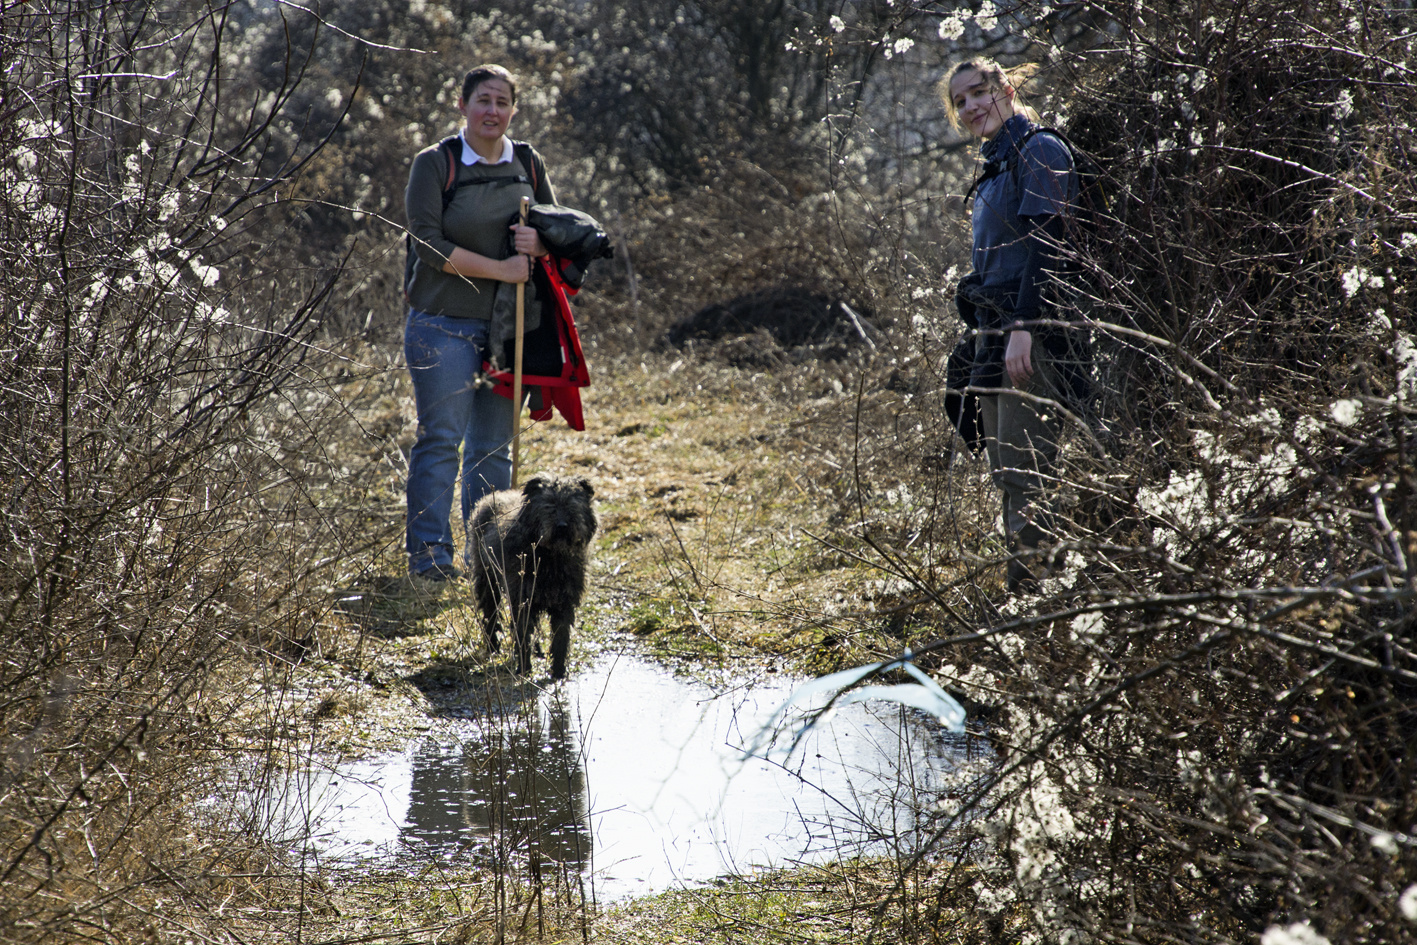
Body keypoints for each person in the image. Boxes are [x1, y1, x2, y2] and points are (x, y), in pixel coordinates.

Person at [403, 64, 557, 583]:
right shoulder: (436, 163)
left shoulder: (528, 163)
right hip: (442, 326)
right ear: (462, 105)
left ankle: (487, 563)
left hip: (507, 331)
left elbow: (554, 228)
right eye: (483, 100)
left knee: (492, 451)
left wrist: (539, 243)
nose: (493, 111)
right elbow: (427, 244)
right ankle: (430, 564)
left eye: (503, 102)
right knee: (442, 441)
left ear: (514, 109)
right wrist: (501, 269)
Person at [943, 58, 1086, 593]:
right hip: (994, 332)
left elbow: (1050, 244)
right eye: (960, 101)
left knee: (1027, 473)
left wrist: (1025, 326)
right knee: (1008, 471)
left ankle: (1038, 607)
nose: (972, 106)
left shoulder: (1040, 150)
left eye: (979, 92)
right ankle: (1026, 595)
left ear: (1006, 88)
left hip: (1034, 333)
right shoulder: (996, 162)